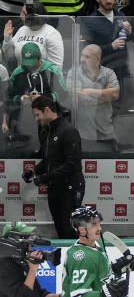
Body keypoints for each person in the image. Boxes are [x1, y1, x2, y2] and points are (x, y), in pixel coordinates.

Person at [22, 94, 81, 238]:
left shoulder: (68, 131)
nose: (36, 119)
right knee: (60, 229)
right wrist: (34, 171)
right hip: (54, 187)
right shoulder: (45, 132)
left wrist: (44, 177)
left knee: (69, 229)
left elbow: (72, 164)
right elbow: (49, 159)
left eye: (37, 115)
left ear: (47, 110)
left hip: (70, 187)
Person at [65, 44, 119, 146]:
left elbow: (115, 94)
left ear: (97, 59)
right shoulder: (74, 72)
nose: (82, 59)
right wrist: (104, 95)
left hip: (106, 133)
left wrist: (89, 92)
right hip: (82, 134)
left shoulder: (108, 73)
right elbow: (78, 97)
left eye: (87, 57)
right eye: (82, 55)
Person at [82, 0, 132, 79]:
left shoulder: (121, 15)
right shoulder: (90, 20)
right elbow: (87, 49)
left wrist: (129, 33)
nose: (109, 1)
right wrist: (111, 46)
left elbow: (127, 41)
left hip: (122, 69)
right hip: (100, 71)